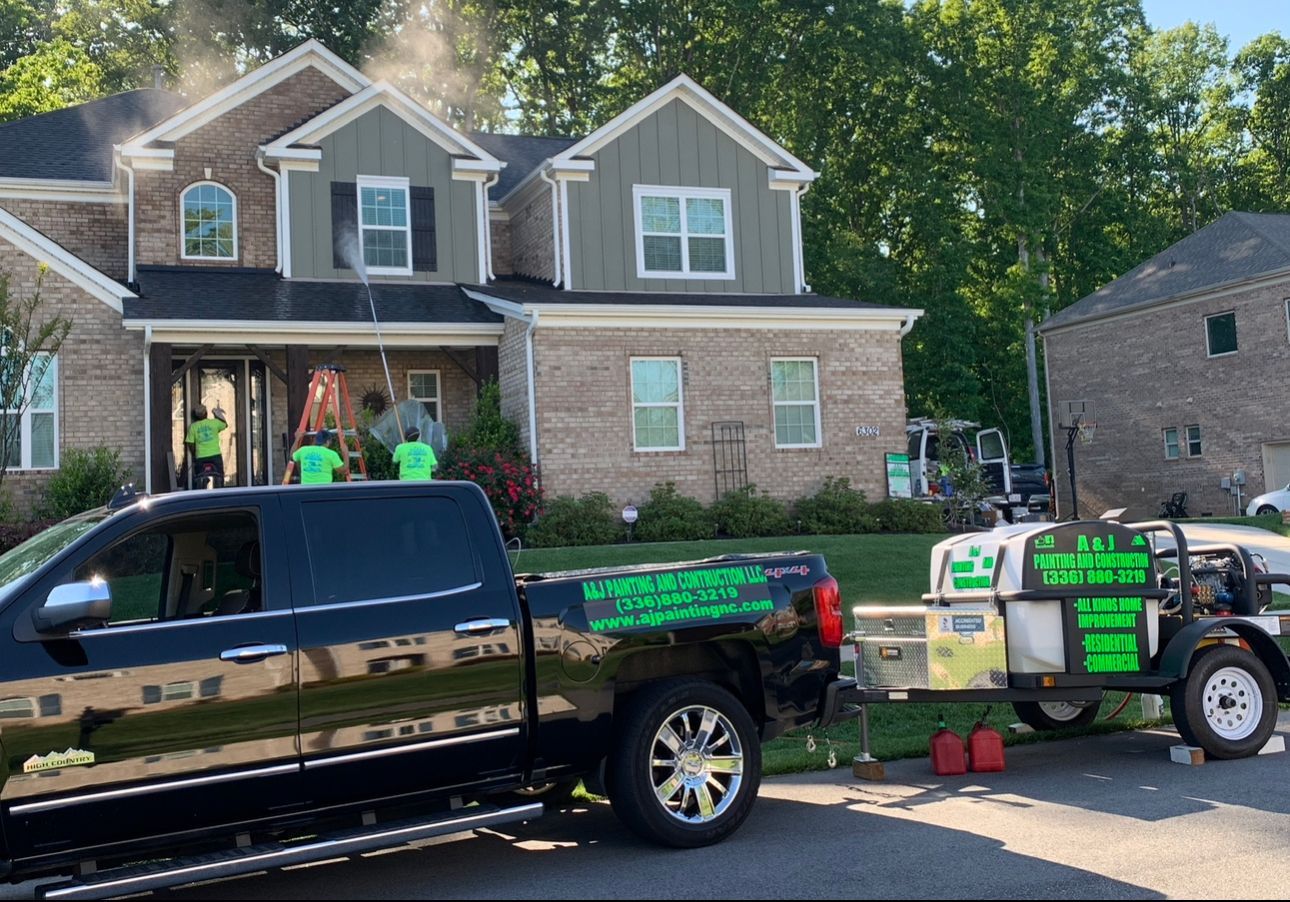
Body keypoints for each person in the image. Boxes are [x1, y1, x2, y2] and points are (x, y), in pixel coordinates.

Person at [185, 404, 228, 489]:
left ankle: (200, 493)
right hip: (215, 455)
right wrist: (216, 414)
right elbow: (225, 424)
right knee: (219, 476)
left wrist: (194, 454)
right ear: (206, 413)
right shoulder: (214, 423)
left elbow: (190, 443)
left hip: (200, 457)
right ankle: (221, 492)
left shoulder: (193, 427)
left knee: (199, 478)